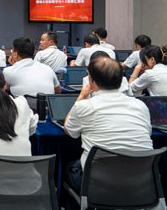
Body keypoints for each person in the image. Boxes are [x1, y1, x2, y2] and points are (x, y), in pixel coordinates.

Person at [64, 57, 152, 193]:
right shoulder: (140, 106)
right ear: (121, 80)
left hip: (98, 187)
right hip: (141, 185)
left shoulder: (85, 106)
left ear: (90, 79)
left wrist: (81, 97)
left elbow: (69, 130)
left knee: (69, 167)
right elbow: (148, 133)